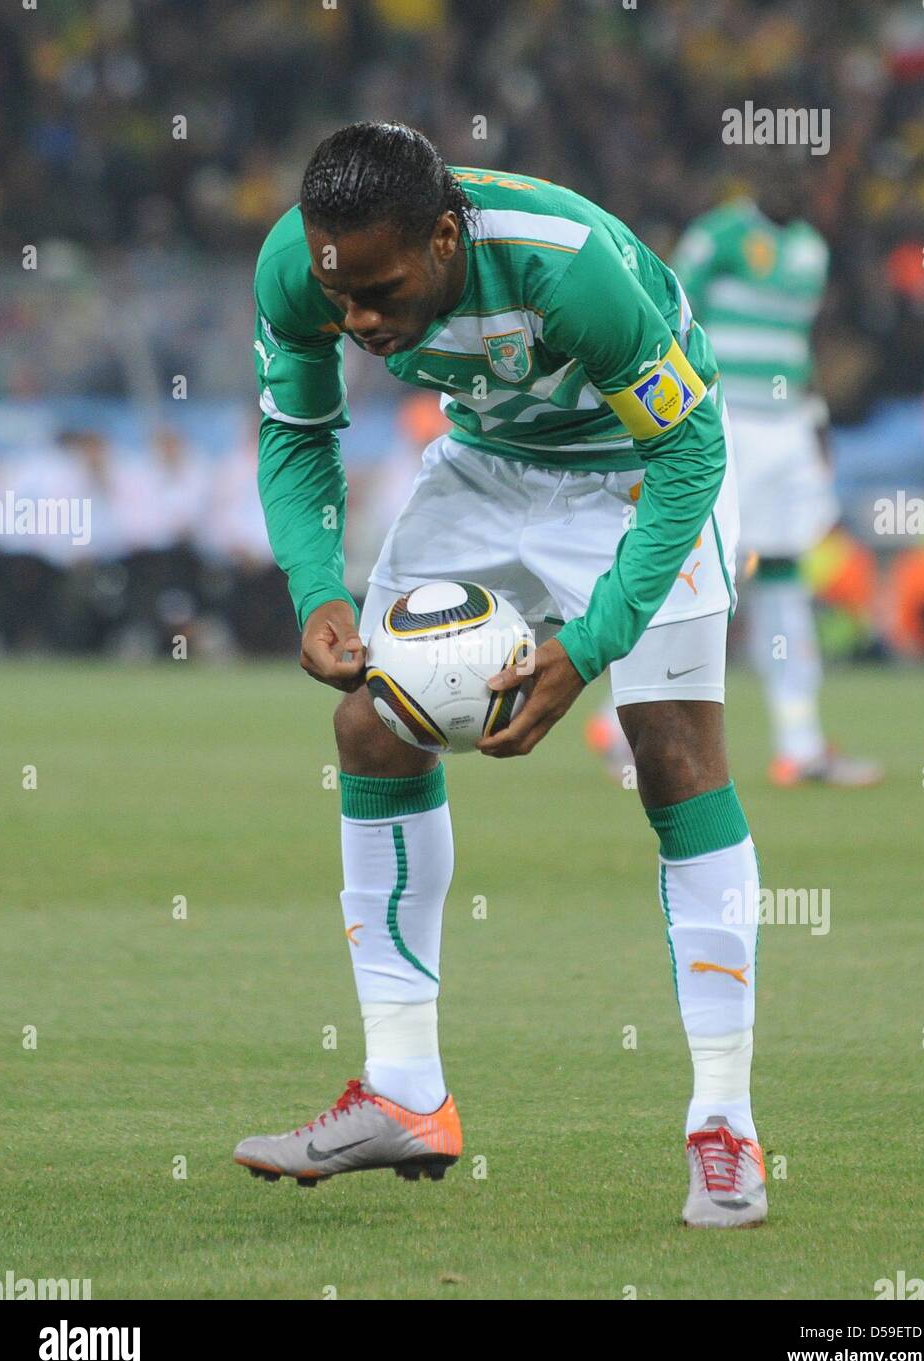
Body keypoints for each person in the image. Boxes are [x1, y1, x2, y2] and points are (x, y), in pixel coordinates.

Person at [234, 122, 766, 1228]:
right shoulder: (303, 260)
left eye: (382, 292)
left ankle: (723, 1124)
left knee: (670, 752)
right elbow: (295, 432)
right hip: (487, 466)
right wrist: (317, 592)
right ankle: (402, 1092)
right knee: (371, 732)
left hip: (636, 473)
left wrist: (586, 645)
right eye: (344, 303)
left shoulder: (562, 265)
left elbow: (690, 452)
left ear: (443, 234)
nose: (362, 324)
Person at [589, 166, 883, 787]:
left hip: (788, 428)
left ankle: (800, 744)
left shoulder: (812, 248)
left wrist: (817, 420)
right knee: (694, 573)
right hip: (726, 422)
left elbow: (800, 345)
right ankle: (621, 723)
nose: (794, 178)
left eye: (807, 163)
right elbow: (665, 314)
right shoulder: (720, 234)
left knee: (782, 573)